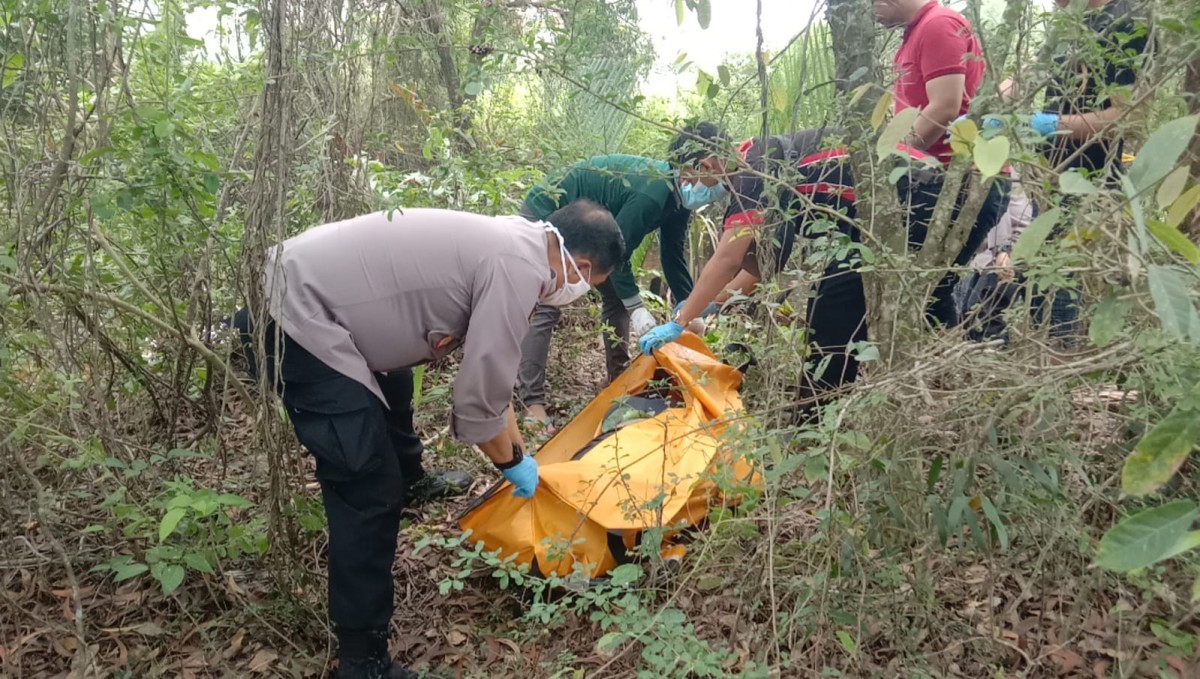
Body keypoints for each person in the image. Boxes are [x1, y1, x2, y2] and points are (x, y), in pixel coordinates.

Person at [233, 200, 624, 679]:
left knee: (395, 384)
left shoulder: (517, 240)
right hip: (293, 320)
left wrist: (520, 450)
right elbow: (478, 401)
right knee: (367, 487)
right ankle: (363, 662)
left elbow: (495, 380)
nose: (578, 293)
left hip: (298, 291)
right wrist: (510, 465)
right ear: (579, 266)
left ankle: (412, 481)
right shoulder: (519, 268)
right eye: (588, 285)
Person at [640, 125, 980, 414]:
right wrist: (712, 304)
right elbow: (763, 266)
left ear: (706, 162)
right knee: (913, 303)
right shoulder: (765, 166)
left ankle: (816, 422)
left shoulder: (752, 172)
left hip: (923, 199)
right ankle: (953, 399)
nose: (693, 187)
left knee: (834, 312)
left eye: (691, 177)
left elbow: (727, 259)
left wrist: (679, 321)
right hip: (932, 197)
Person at [997, 0, 1149, 343]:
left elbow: (1126, 117)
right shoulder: (1068, 22)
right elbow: (1030, 73)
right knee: (1041, 277)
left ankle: (1063, 360)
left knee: (1063, 282)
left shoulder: (1127, 21)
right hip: (1052, 180)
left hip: (1091, 183)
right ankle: (1048, 357)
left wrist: (1050, 125)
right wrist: (988, 106)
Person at [516, 154, 704, 430]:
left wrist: (690, 306)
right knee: (547, 300)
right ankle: (531, 403)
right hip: (550, 210)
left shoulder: (679, 198)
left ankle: (619, 381)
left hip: (591, 230)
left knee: (616, 295)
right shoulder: (653, 195)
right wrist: (637, 309)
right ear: (689, 168)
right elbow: (621, 254)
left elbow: (672, 254)